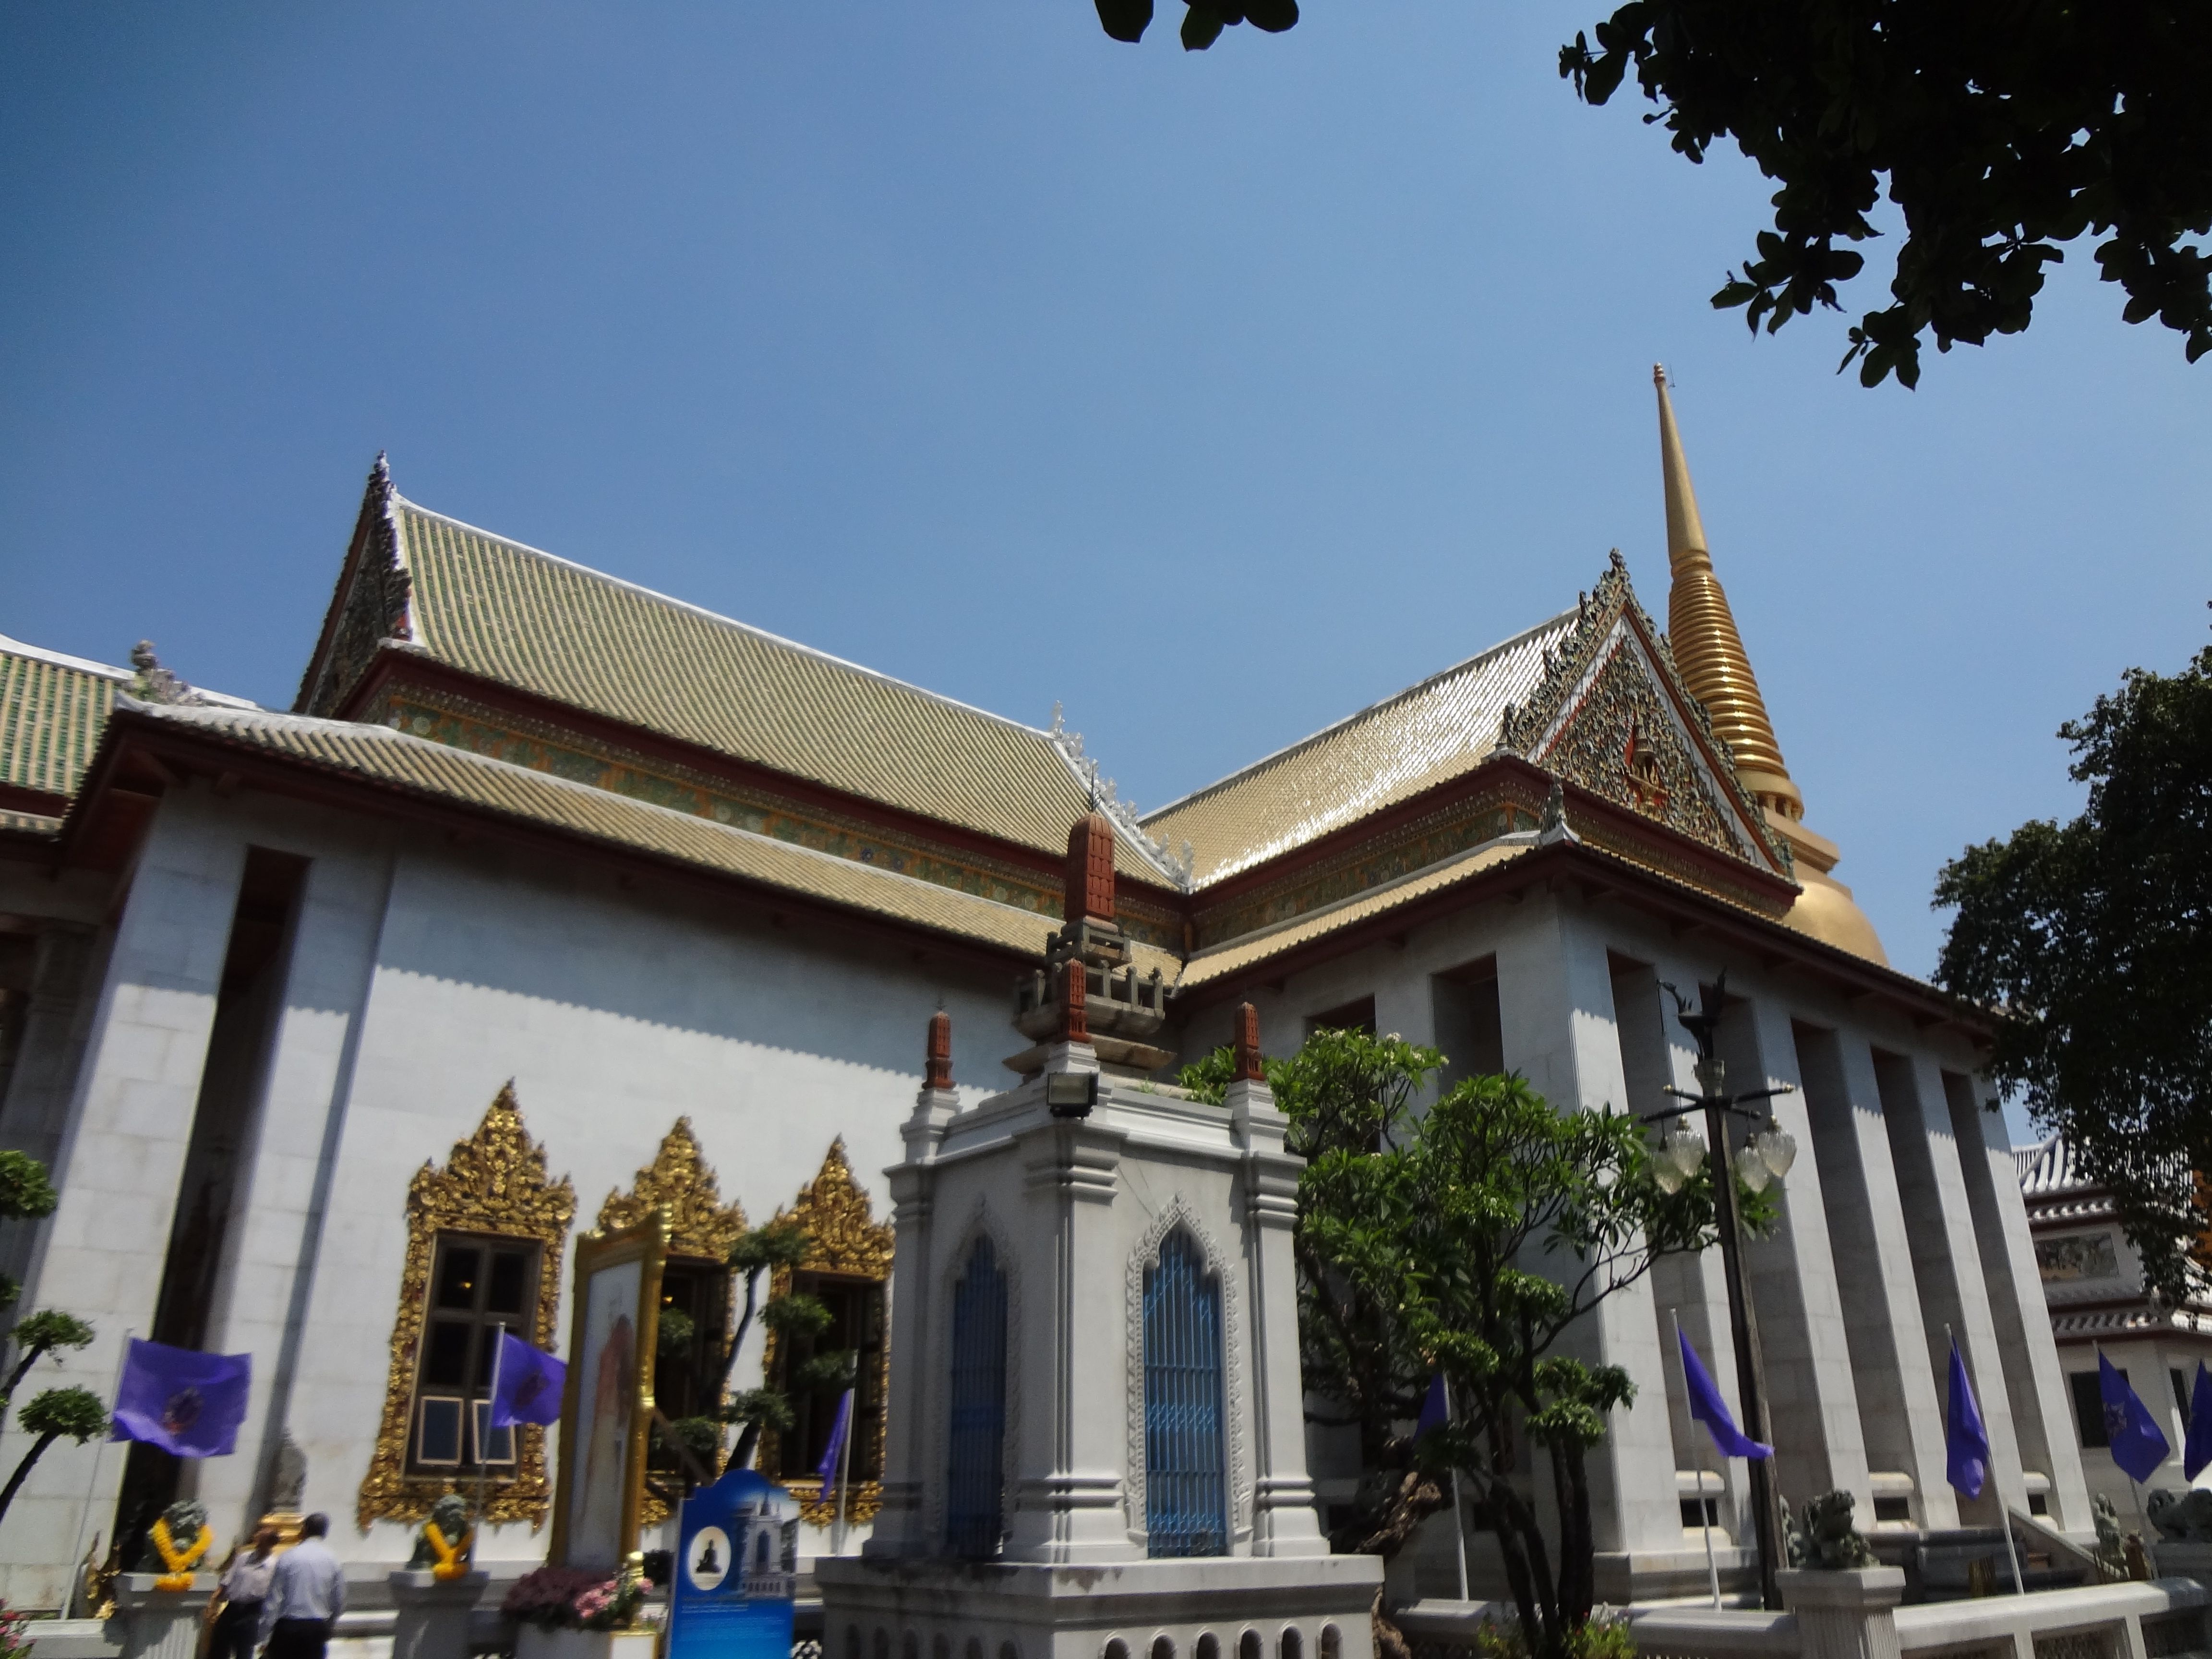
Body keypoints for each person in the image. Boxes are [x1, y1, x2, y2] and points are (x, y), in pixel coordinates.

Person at [260, 1513, 344, 1659]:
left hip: (288, 1627)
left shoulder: (289, 1557)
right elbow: (338, 1600)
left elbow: (274, 1599)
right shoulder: (333, 1560)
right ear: (325, 1532)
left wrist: (265, 1635)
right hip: (316, 1627)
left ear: (304, 1530)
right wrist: (329, 1626)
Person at [209, 1527, 280, 1659]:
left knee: (244, 1651)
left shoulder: (273, 1565)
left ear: (271, 1543)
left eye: (262, 1540)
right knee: (218, 1649)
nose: (258, 1542)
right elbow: (227, 1581)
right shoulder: (243, 1558)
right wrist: (214, 1600)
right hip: (232, 1608)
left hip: (252, 1612)